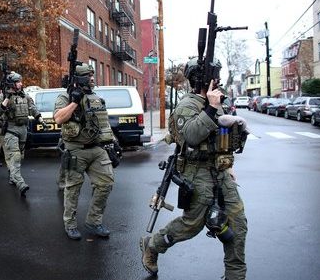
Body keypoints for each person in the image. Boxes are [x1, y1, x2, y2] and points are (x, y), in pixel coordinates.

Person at [139, 59, 248, 280]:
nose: (217, 80)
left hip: (219, 171)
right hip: (196, 172)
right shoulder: (187, 105)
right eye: (214, 75)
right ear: (201, 79)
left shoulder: (217, 102)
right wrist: (211, 107)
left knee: (237, 223)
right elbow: (191, 135)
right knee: (192, 225)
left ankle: (235, 276)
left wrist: (228, 166)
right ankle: (153, 245)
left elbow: (221, 138)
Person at [53, 63, 116, 240]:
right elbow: (59, 118)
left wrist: (113, 143)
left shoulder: (95, 97)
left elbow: (103, 123)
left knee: (106, 184)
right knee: (73, 189)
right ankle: (70, 224)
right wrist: (74, 101)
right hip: (75, 150)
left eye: (92, 75)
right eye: (89, 75)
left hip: (97, 149)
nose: (93, 78)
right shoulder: (64, 97)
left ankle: (94, 221)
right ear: (80, 78)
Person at [0, 71, 44, 196]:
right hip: (11, 129)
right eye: (18, 82)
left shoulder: (24, 95)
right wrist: (7, 98)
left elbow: (32, 108)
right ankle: (20, 183)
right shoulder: (4, 96)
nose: (21, 84)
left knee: (20, 156)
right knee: (15, 156)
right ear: (12, 83)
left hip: (23, 129)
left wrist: (40, 119)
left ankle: (12, 175)